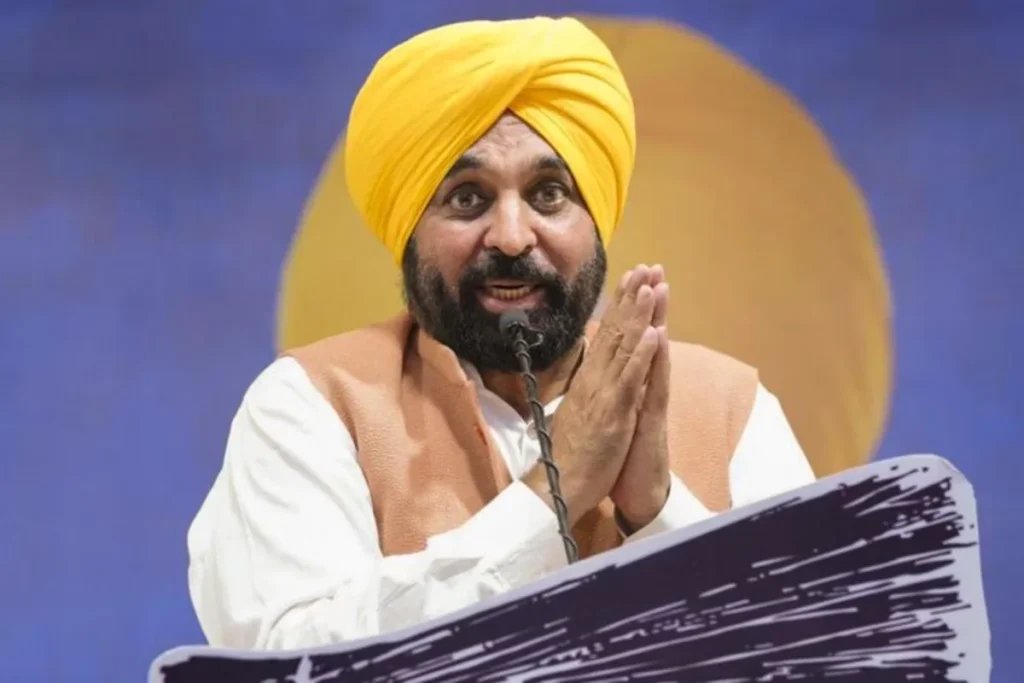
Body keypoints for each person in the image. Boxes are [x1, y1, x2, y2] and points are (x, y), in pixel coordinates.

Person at [187, 16, 816, 650]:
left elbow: (814, 645)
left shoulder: (732, 410)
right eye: (467, 198)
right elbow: (291, 656)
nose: (512, 237)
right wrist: (557, 487)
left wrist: (658, 514)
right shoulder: (310, 405)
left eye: (549, 194)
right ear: (408, 230)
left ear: (596, 221)